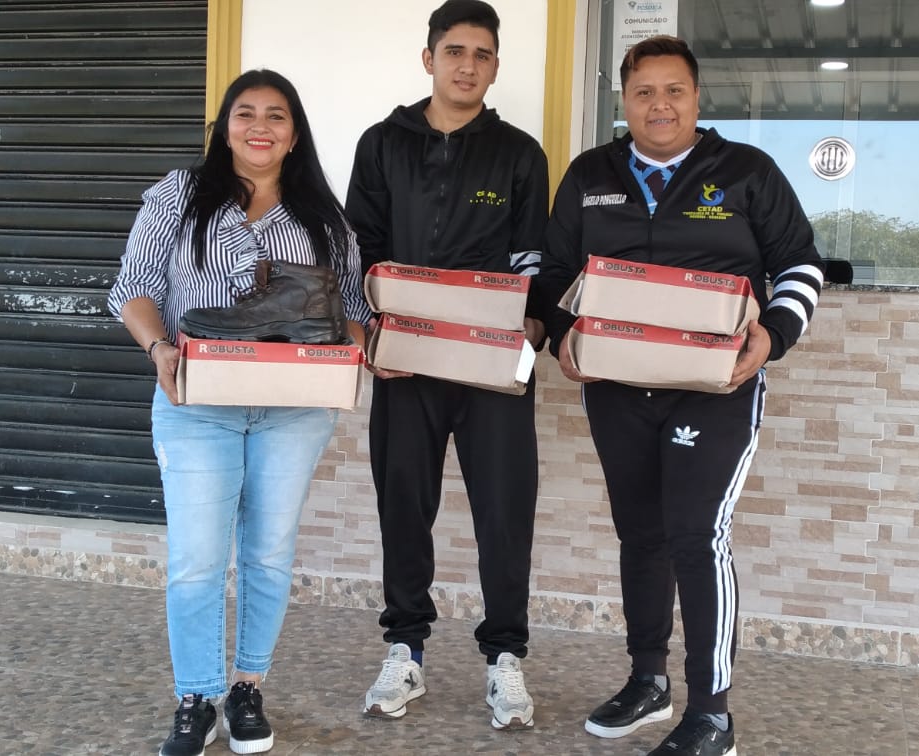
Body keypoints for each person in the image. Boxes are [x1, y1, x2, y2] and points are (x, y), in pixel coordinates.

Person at [536, 35, 825, 756]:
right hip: (618, 388)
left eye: (673, 91)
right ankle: (648, 681)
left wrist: (773, 336)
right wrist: (562, 337)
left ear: (696, 98)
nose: (658, 105)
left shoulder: (747, 172)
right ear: (624, 100)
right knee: (641, 534)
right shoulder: (590, 174)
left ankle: (712, 714)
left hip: (715, 388)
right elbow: (554, 272)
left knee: (697, 535)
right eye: (644, 92)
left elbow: (800, 263)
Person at [108, 68, 372, 756]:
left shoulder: (324, 219)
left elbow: (353, 312)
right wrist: (159, 347)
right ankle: (196, 697)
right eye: (245, 113)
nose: (260, 126)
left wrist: (358, 354)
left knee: (268, 554)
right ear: (224, 127)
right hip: (196, 403)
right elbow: (133, 288)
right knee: (196, 559)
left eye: (276, 115)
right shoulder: (179, 196)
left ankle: (247, 688)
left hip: (294, 411)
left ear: (294, 134)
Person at [344, 0, 550, 731]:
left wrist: (529, 332)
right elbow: (359, 249)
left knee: (505, 511)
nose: (468, 65)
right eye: (455, 51)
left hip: (493, 367)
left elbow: (533, 259)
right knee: (404, 506)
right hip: (406, 366)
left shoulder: (520, 154)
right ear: (429, 58)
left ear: (495, 67)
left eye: (482, 54)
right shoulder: (382, 145)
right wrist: (370, 334)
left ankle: (505, 659)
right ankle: (405, 650)